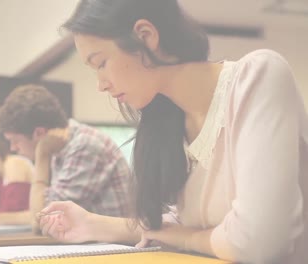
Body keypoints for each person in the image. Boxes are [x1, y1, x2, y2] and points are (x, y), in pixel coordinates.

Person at [38, 1, 308, 263]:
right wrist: (91, 224)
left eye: (100, 63)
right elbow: (184, 224)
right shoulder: (169, 121)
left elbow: (259, 242)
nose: (101, 85)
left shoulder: (258, 76)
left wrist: (184, 238)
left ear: (145, 36)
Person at [0, 84, 131, 229]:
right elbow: (37, 213)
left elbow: (40, 220)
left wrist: (41, 155)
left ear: (39, 133)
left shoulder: (85, 146)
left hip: (116, 247)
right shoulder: (61, 147)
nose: (13, 148)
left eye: (14, 141)